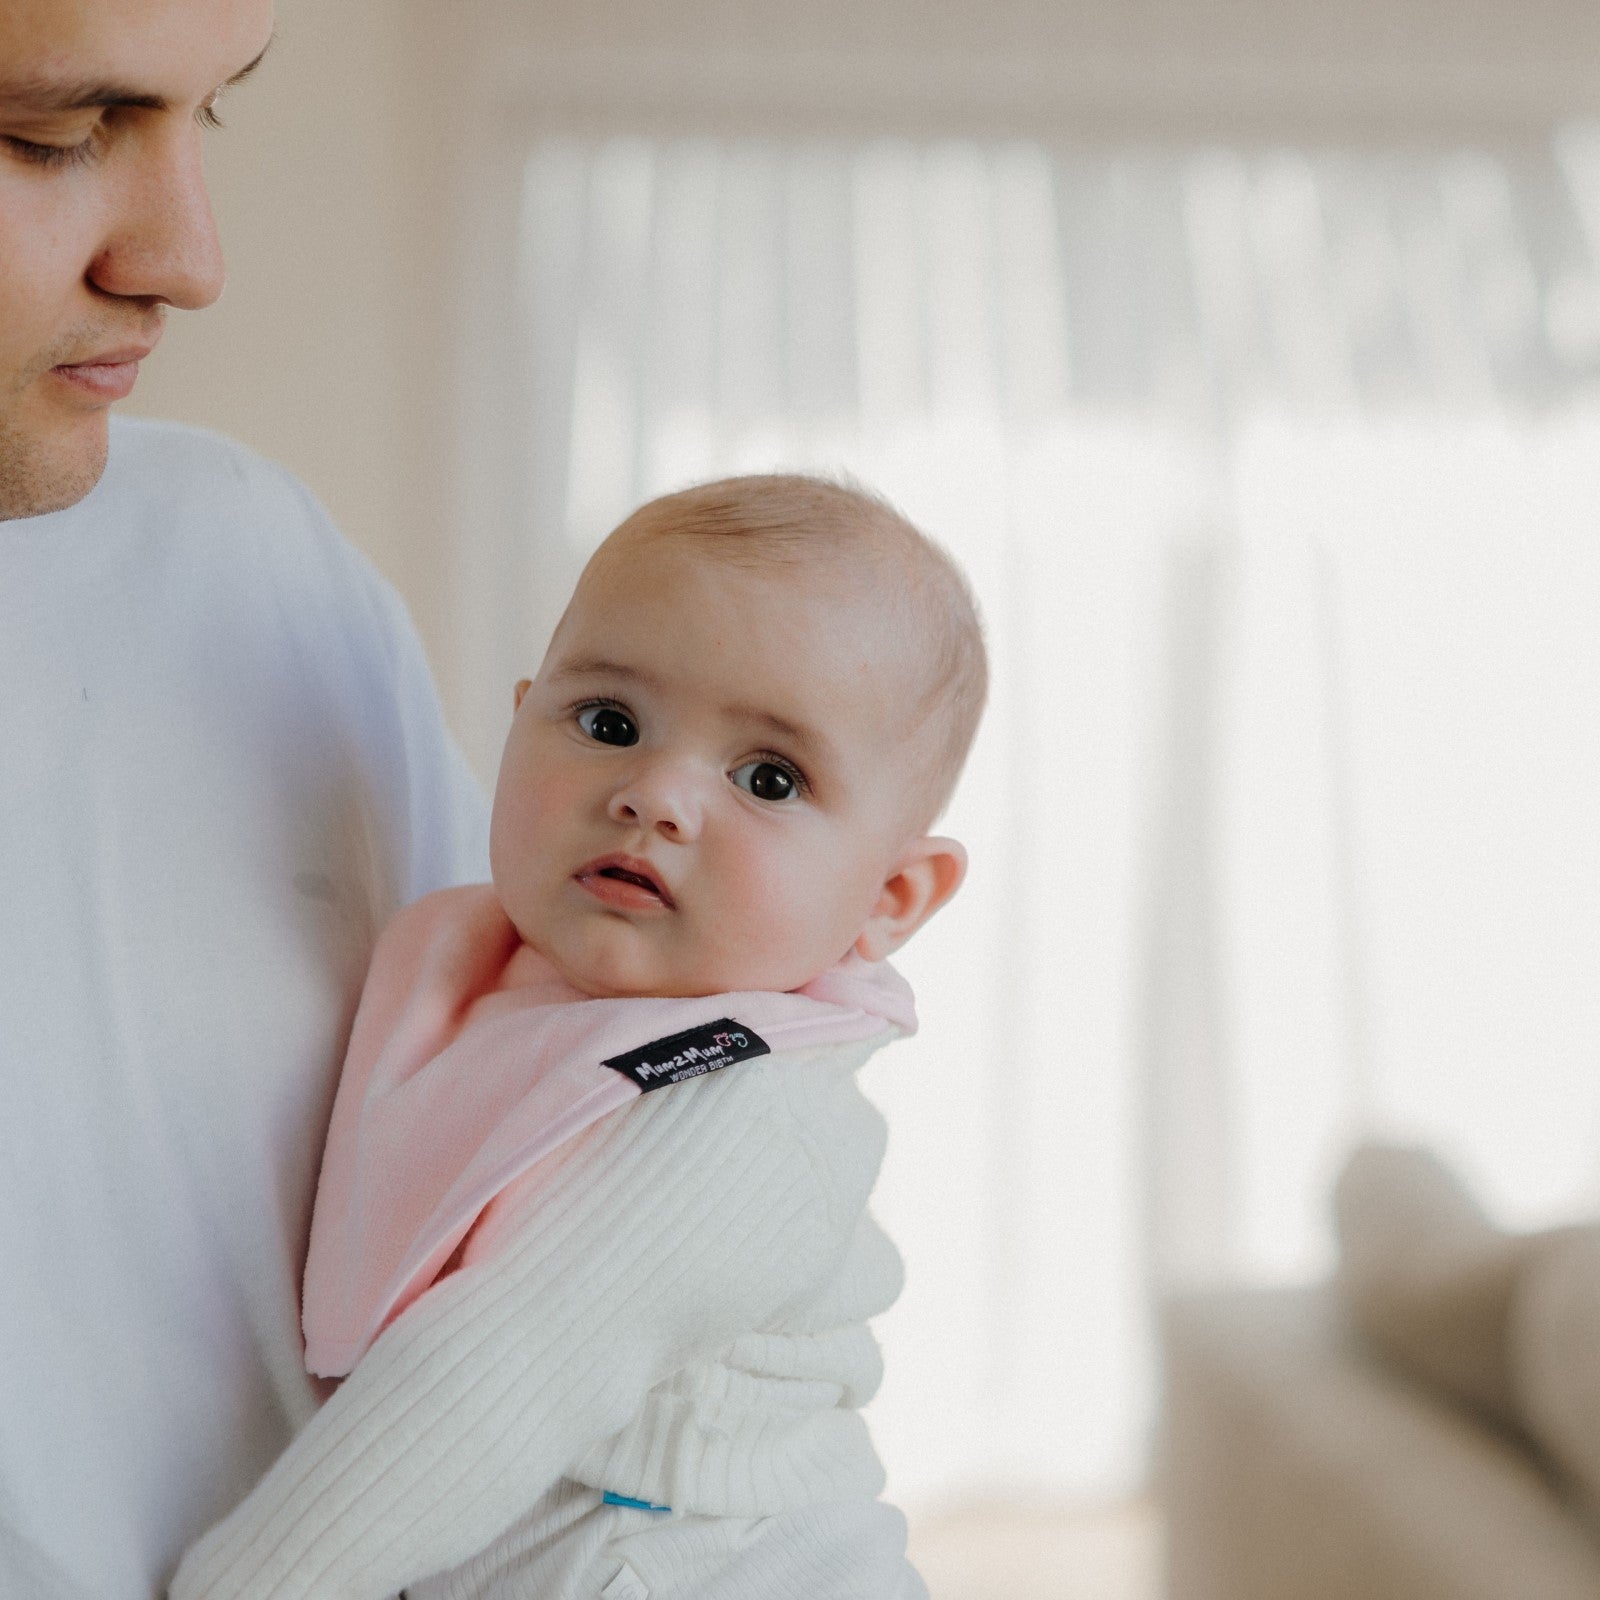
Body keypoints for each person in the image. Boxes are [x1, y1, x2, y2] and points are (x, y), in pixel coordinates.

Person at [170, 475, 987, 1600]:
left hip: (684, 1558)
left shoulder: (747, 1113)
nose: (654, 794)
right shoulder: (477, 974)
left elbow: (491, 1379)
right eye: (609, 724)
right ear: (518, 722)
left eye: (768, 777)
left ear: (891, 893)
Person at [0, 3, 488, 1596]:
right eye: (56, 135)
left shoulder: (254, 567)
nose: (187, 261)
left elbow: (555, 1167)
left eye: (209, 117)